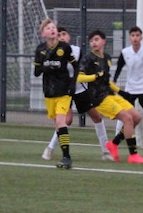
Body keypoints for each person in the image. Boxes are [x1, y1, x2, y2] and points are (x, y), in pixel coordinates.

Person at [40, 27, 113, 162]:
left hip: (79, 88)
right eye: (59, 35)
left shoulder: (77, 51)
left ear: (69, 37)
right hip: (64, 91)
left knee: (97, 117)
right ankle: (50, 148)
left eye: (64, 34)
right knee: (66, 120)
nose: (61, 37)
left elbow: (81, 71)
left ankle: (106, 151)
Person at [77, 30, 143, 164]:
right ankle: (133, 155)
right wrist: (95, 76)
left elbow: (106, 81)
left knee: (137, 117)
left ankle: (114, 143)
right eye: (91, 41)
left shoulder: (107, 58)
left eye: (96, 39)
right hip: (99, 98)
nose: (93, 43)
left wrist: (122, 92)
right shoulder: (88, 58)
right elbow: (79, 77)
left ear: (104, 41)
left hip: (110, 94)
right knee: (127, 118)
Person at [34, 18, 78, 169]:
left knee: (61, 122)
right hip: (49, 92)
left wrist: (72, 83)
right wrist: (45, 67)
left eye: (53, 27)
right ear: (43, 34)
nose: (52, 29)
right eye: (48, 28)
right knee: (57, 125)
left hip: (63, 91)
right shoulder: (40, 50)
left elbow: (76, 66)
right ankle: (64, 156)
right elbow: (36, 72)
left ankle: (67, 157)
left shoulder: (64, 48)